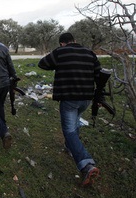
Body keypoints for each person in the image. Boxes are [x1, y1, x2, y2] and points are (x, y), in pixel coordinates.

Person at [38, 32, 101, 187]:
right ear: (75, 40)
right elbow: (99, 74)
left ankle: (87, 165)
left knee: (69, 130)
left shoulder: (61, 52)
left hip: (69, 98)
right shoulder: (89, 52)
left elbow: (42, 64)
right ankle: (70, 147)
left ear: (62, 44)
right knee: (75, 123)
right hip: (86, 98)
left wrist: (59, 64)